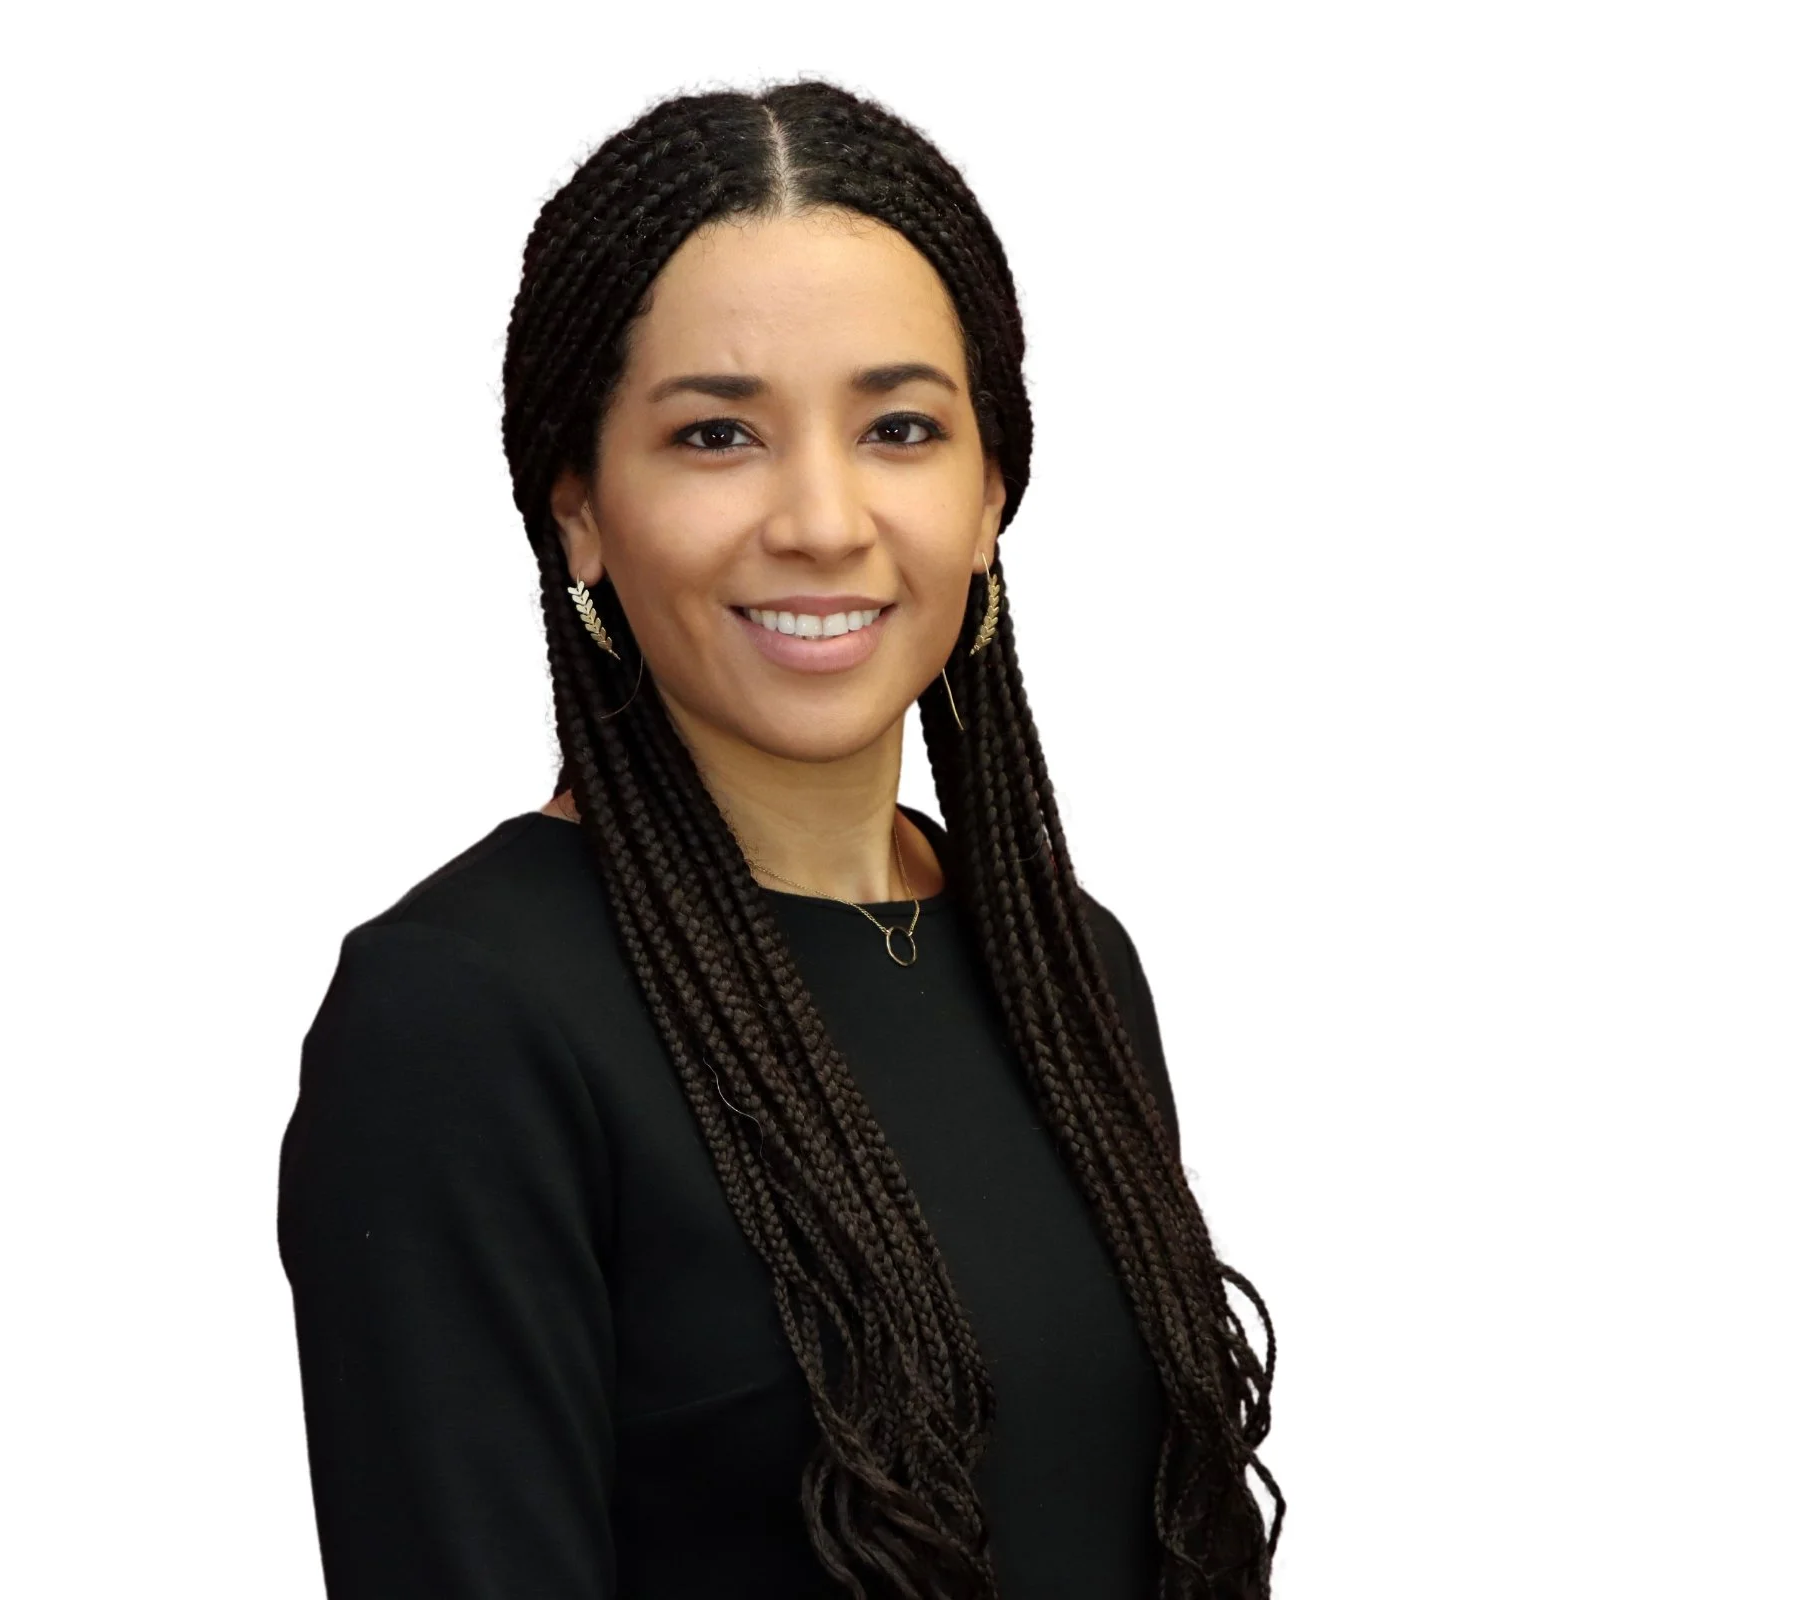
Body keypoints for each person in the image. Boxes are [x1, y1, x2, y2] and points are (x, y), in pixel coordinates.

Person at [275, 78, 1280, 1599]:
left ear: (991, 487)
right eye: (717, 434)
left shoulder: (1069, 966)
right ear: (580, 510)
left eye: (896, 427)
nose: (821, 517)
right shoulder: (463, 1020)